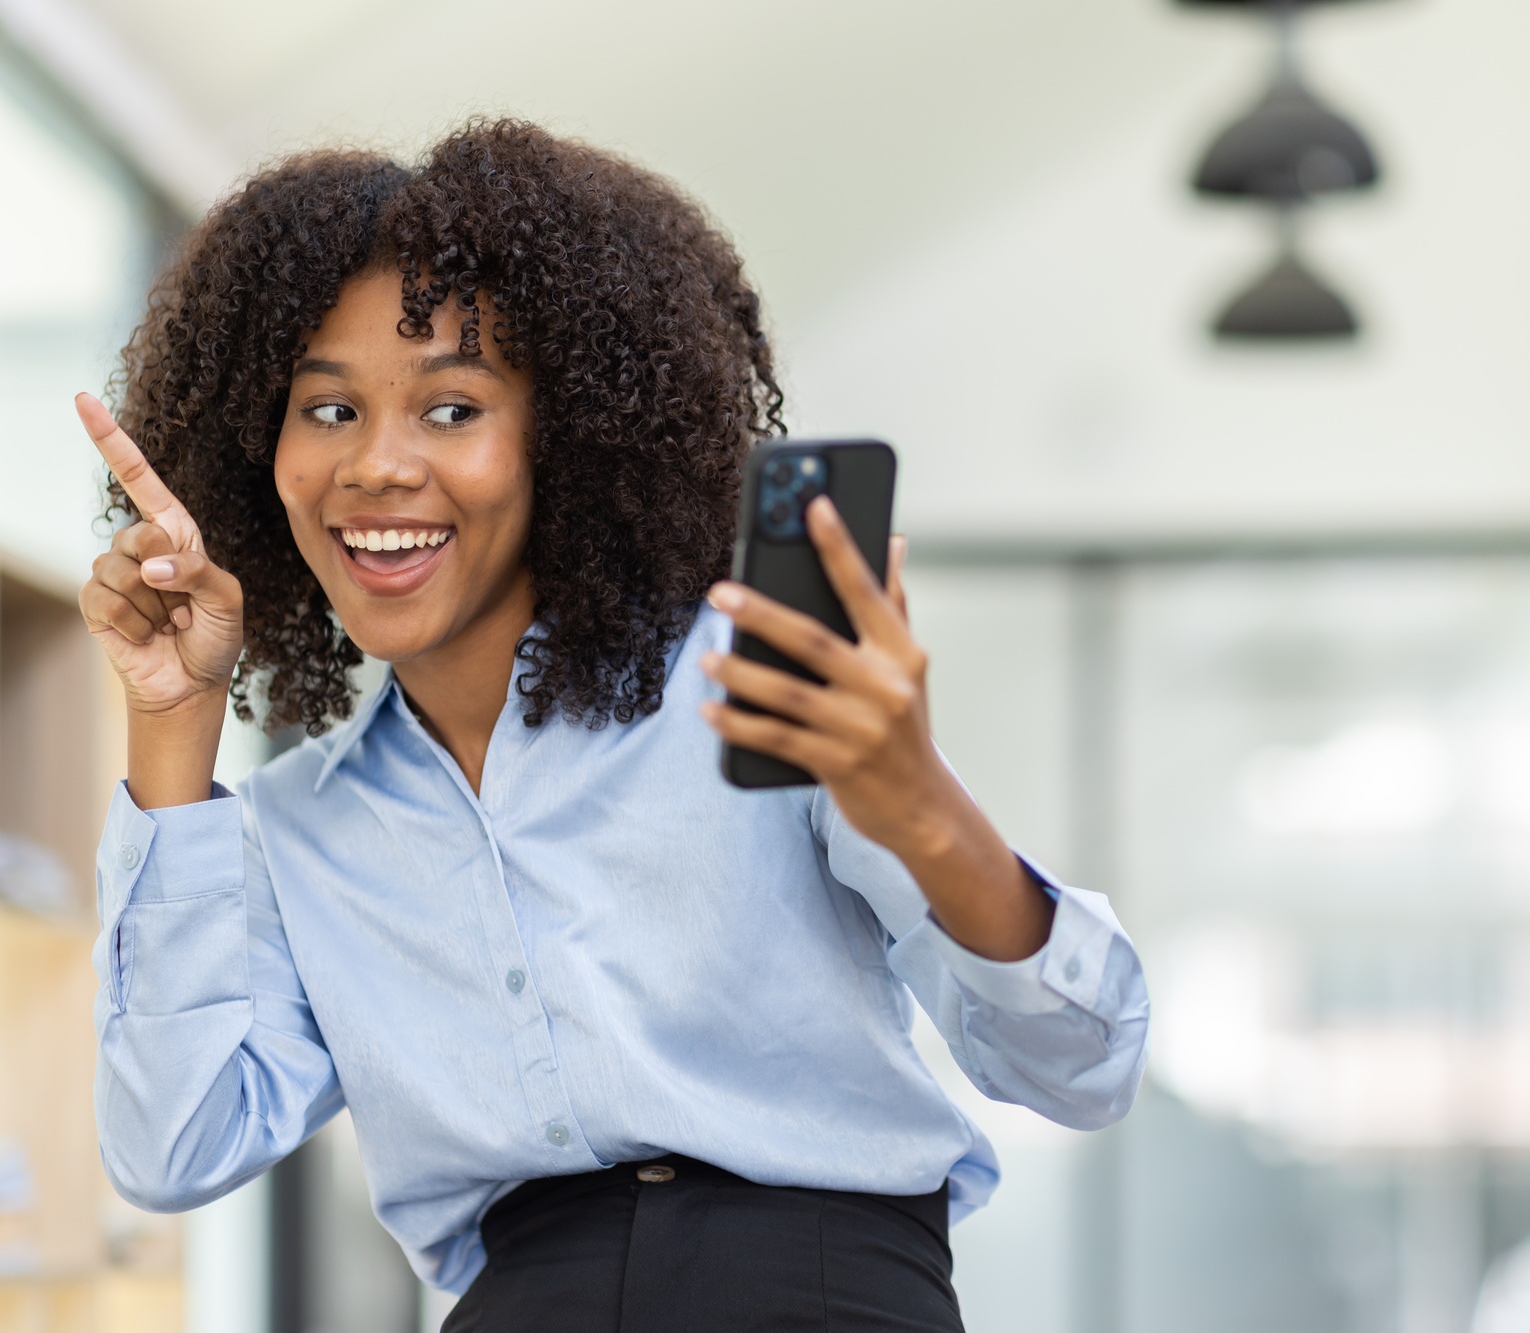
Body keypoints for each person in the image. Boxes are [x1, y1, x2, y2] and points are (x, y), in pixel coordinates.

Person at [78, 120, 1148, 1332]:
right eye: (326, 410)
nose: (375, 465)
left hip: (821, 1297)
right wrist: (173, 726)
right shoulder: (299, 826)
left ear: (566, 437)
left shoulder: (756, 687)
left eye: (450, 407)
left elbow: (1080, 1062)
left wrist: (922, 811)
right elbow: (174, 1145)